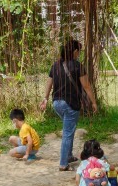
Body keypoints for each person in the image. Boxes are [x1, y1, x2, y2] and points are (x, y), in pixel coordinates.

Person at [40, 39, 98, 171]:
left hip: (56, 103)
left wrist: (45, 98)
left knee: (69, 130)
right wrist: (93, 102)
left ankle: (69, 155)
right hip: (70, 104)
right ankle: (63, 163)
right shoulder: (77, 66)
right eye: (79, 51)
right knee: (67, 133)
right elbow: (86, 86)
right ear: (75, 51)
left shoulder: (55, 66)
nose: (79, 54)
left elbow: (49, 83)